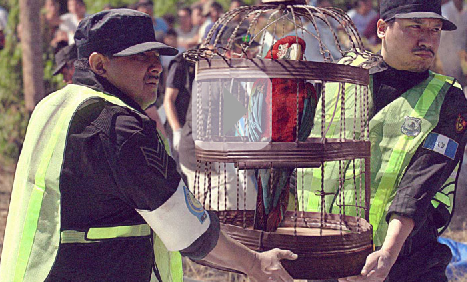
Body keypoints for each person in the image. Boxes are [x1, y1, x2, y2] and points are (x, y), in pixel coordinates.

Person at [0, 9, 297, 282]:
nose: (156, 67)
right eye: (140, 57)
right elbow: (188, 230)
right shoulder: (118, 126)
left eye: (156, 55)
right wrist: (255, 263)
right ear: (99, 64)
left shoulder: (54, 104)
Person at [300, 0, 467, 281]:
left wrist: (387, 253)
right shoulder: (344, 79)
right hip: (326, 258)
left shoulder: (447, 99)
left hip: (405, 262)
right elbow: (303, 155)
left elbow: (419, 184)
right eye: (415, 27)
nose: (427, 39)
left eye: (435, 29)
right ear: (381, 28)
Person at [177, 27, 259, 210]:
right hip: (204, 159)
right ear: (226, 52)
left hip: (225, 155)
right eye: (243, 50)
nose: (251, 55)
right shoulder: (212, 77)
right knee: (227, 210)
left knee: (248, 204)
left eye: (252, 50)